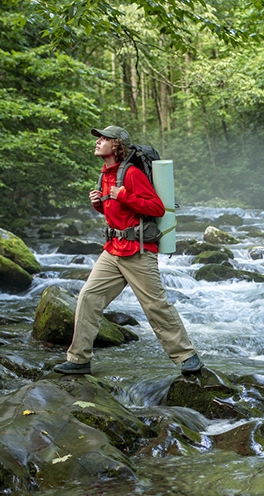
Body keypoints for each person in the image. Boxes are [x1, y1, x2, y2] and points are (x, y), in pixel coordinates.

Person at [54, 125, 201, 375]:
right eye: (98, 138)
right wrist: (99, 205)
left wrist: (123, 196)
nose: (98, 141)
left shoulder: (131, 174)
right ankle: (79, 360)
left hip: (138, 250)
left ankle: (187, 356)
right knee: (88, 297)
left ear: (117, 145)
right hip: (113, 250)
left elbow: (156, 208)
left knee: (155, 304)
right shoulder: (105, 175)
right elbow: (117, 214)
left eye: (104, 138)